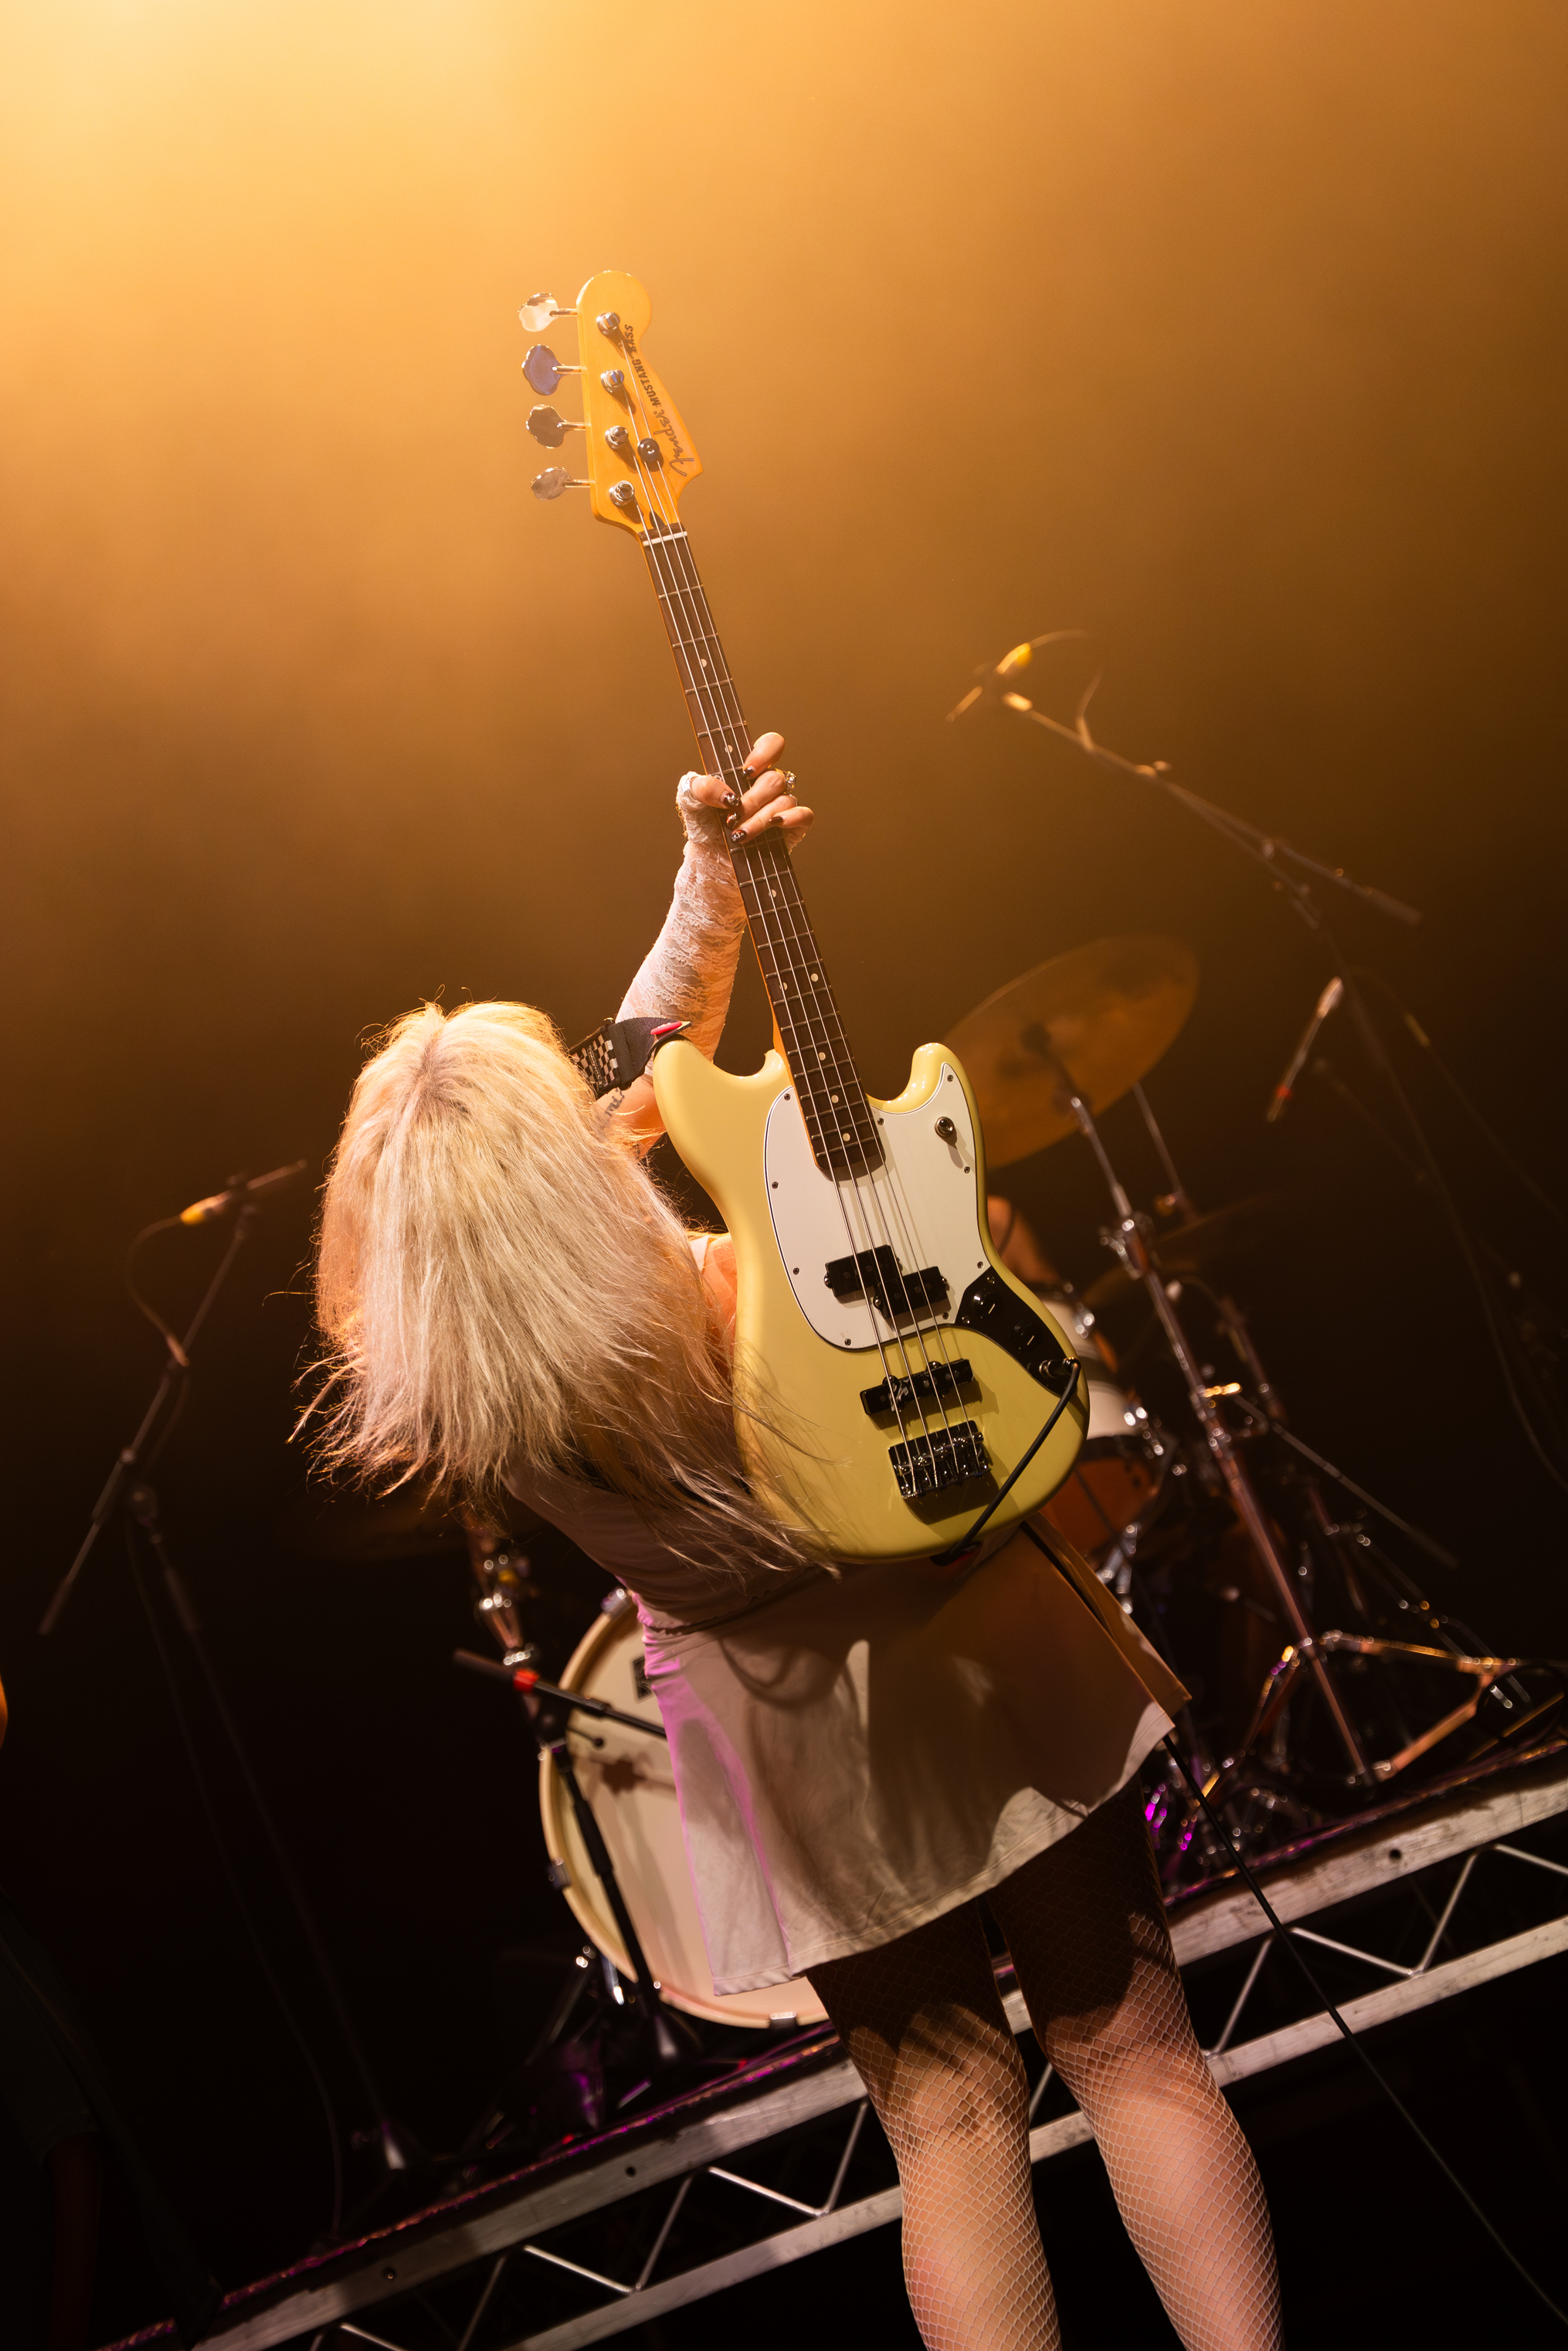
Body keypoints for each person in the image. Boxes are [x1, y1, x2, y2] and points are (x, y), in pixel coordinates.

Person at [312, 738, 1282, 2351]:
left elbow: (632, 1061)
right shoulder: (716, 1285)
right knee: (1130, 2049)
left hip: (781, 1721)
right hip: (967, 1626)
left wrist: (707, 882)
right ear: (565, 1147)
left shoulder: (459, 1385)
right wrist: (713, 871)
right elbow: (646, 1066)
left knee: (948, 2127)